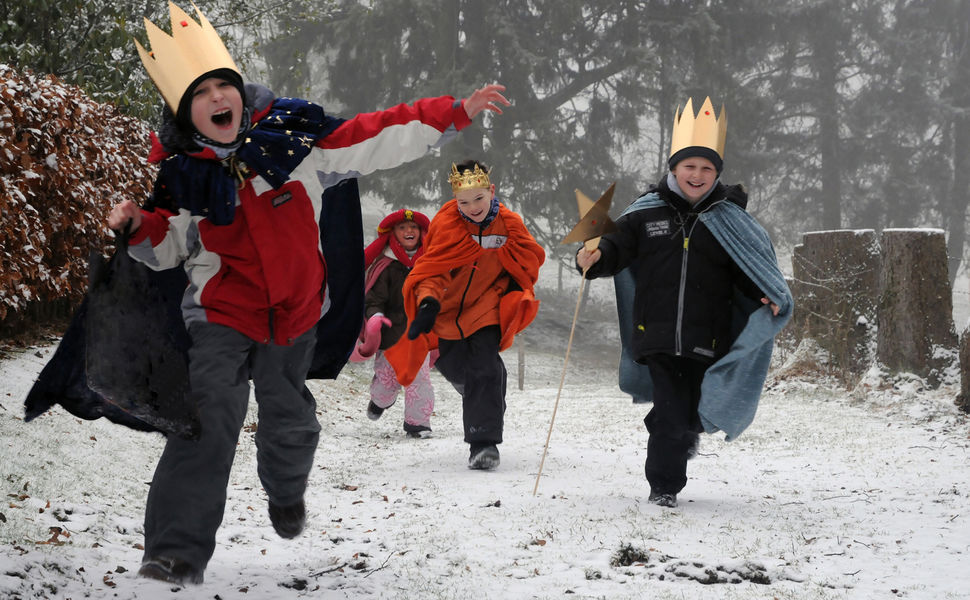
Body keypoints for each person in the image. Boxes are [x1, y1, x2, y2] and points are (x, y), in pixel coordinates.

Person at [105, 2, 510, 586]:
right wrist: (136, 227)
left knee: (288, 417)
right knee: (206, 417)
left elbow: (376, 134)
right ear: (185, 113)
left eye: (226, 85)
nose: (219, 97)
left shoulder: (297, 143)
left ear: (241, 93)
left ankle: (286, 492)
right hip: (220, 314)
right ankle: (174, 551)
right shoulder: (183, 175)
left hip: (295, 316)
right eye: (202, 93)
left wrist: (450, 114)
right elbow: (167, 243)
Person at [575, 97, 792, 508]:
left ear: (717, 174)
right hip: (654, 335)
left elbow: (747, 269)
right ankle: (664, 486)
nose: (697, 174)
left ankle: (670, 428)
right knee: (674, 411)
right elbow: (615, 247)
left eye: (707, 168)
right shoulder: (645, 214)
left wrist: (763, 293)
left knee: (689, 413)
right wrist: (595, 257)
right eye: (689, 166)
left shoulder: (730, 220)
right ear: (673, 168)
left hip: (708, 336)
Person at [385, 160, 545, 470]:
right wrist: (428, 303)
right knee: (457, 366)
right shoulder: (447, 225)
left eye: (479, 199)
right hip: (448, 310)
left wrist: (513, 284)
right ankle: (483, 389)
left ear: (492, 192)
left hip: (486, 307)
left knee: (484, 368)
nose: (472, 207)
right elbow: (432, 269)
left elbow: (529, 257)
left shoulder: (509, 224)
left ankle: (483, 444)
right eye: (464, 202)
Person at [353, 209, 436, 438]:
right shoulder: (386, 266)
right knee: (386, 383)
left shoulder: (429, 262)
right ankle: (379, 401)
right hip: (390, 337)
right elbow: (374, 299)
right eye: (402, 228)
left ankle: (418, 424)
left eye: (413, 228)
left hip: (418, 335)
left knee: (419, 379)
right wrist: (376, 316)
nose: (409, 231)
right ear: (393, 233)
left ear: (421, 232)